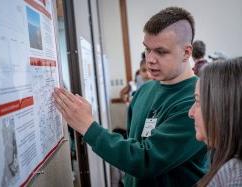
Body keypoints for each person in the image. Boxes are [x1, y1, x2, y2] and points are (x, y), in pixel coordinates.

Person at [53, 6, 208, 187]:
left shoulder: (195, 103)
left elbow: (145, 161)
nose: (150, 59)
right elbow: (133, 144)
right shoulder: (144, 91)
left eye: (161, 51)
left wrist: (89, 127)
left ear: (187, 52)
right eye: (147, 49)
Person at [189, 57, 242, 187]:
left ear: (224, 107)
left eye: (197, 101)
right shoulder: (224, 162)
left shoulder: (235, 176)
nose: (190, 113)